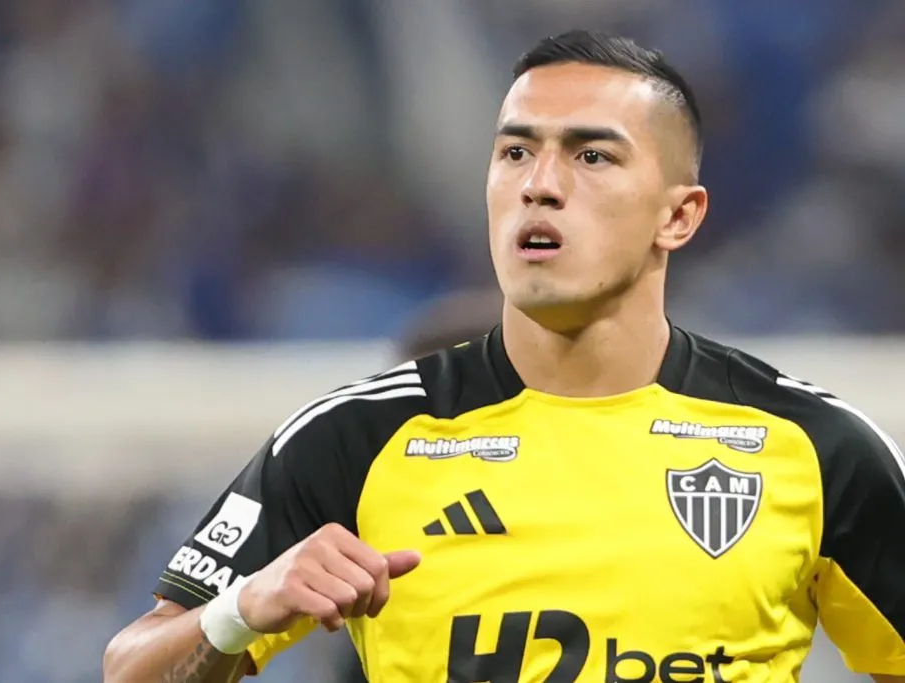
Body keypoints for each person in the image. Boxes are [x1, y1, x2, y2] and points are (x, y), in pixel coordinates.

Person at [103, 30, 905, 683]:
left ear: (680, 216)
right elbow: (129, 672)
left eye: (592, 156)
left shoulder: (812, 445)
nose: (540, 185)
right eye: (516, 153)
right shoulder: (354, 439)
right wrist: (239, 608)